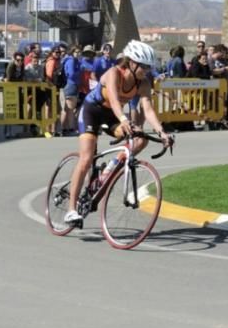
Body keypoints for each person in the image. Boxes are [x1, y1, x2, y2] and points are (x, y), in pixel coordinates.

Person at [64, 40, 174, 226]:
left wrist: (162, 132)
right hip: (92, 111)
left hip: (112, 117)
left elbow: (147, 109)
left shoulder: (144, 82)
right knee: (86, 158)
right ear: (131, 62)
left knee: (140, 140)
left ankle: (112, 165)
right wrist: (124, 120)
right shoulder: (114, 73)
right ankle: (71, 210)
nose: (146, 70)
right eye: (144, 66)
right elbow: (115, 101)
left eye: (149, 67)